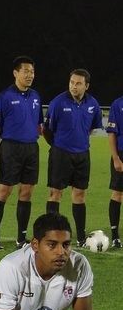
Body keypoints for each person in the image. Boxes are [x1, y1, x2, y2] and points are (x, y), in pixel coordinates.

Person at [0, 56, 43, 250]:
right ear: (15, 73)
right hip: (10, 147)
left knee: (26, 192)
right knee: (4, 191)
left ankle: (21, 238)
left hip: (31, 148)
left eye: (32, 72)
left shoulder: (36, 96)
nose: (30, 75)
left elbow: (39, 124)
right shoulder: (4, 97)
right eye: (26, 71)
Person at [43, 69, 103, 246]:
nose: (74, 86)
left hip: (83, 154)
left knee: (80, 194)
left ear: (86, 85)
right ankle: (52, 234)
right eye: (71, 82)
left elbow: (91, 128)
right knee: (55, 193)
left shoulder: (93, 104)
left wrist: (79, 141)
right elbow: (47, 130)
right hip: (60, 153)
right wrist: (59, 145)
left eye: (78, 83)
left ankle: (81, 237)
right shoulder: (58, 102)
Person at [107, 94, 123, 248]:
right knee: (118, 193)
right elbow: (111, 133)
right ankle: (115, 236)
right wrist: (116, 158)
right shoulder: (117, 104)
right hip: (122, 154)